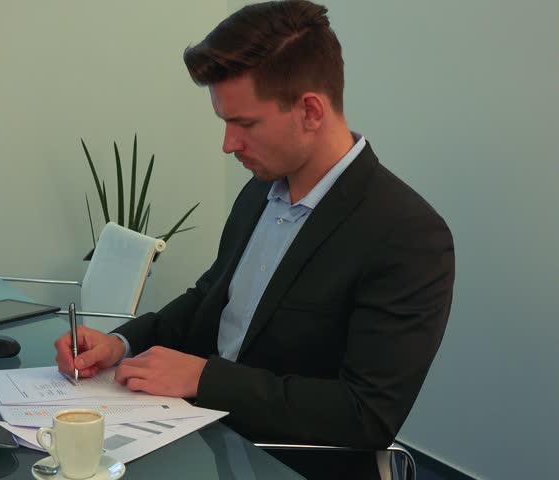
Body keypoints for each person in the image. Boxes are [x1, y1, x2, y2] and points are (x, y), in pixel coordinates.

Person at [54, 1, 455, 478]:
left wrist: (204, 377)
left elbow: (365, 414)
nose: (228, 144)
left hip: (291, 462)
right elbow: (210, 299)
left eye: (243, 124)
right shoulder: (261, 191)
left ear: (309, 110)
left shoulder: (407, 235)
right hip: (209, 439)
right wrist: (121, 343)